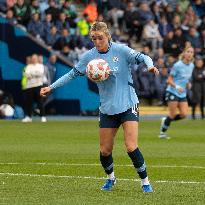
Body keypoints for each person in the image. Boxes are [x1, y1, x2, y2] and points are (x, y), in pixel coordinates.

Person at [40, 21, 159, 193]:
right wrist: (51, 87)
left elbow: (143, 57)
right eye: (94, 38)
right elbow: (72, 74)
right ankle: (111, 178)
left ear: (108, 36)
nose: (97, 42)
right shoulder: (89, 57)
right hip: (107, 108)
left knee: (131, 146)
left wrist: (150, 66)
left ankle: (145, 182)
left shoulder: (121, 50)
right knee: (104, 151)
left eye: (100, 38)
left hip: (128, 104)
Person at [159, 45, 195, 139]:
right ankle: (162, 133)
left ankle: (166, 120)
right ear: (184, 53)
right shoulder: (177, 65)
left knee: (184, 114)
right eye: (188, 52)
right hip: (172, 91)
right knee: (172, 114)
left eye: (191, 52)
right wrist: (177, 86)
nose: (189, 54)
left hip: (182, 93)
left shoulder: (191, 65)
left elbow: (186, 79)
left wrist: (188, 84)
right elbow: (169, 80)